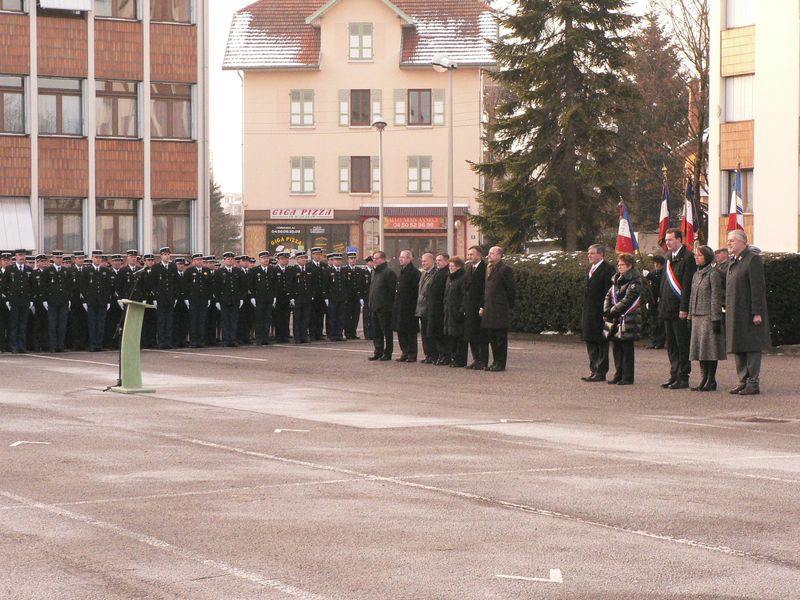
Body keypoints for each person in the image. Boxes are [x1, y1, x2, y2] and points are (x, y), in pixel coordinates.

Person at [725, 229, 770, 395]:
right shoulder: (734, 261)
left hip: (749, 312)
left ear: (743, 242)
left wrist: (757, 312)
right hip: (735, 312)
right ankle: (742, 380)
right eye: (728, 240)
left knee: (751, 347)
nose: (729, 243)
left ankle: (753, 382)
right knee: (738, 346)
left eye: (732, 240)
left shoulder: (752, 260)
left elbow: (757, 288)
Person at [659, 228, 696, 389]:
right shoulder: (668, 257)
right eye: (666, 240)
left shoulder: (688, 258)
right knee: (671, 345)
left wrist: (684, 307)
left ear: (679, 239)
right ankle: (674, 374)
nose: (667, 243)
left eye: (670, 240)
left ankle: (683, 376)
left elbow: (687, 286)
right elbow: (664, 284)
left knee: (682, 344)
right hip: (667, 307)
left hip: (679, 309)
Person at [688, 245, 726, 392]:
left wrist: (716, 318)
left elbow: (715, 297)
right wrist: (690, 316)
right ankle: (703, 378)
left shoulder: (713, 274)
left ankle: (711, 379)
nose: (696, 258)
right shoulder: (696, 274)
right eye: (696, 255)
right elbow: (692, 296)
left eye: (700, 255)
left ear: (707, 257)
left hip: (709, 316)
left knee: (710, 349)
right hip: (697, 316)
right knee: (700, 351)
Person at [603, 253, 642, 385]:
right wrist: (607, 311)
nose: (619, 267)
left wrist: (612, 312)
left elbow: (628, 299)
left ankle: (628, 376)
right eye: (618, 265)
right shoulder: (616, 280)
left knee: (627, 348)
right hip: (616, 318)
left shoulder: (635, 281)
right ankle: (618, 373)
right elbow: (608, 296)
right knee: (616, 347)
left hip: (628, 318)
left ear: (629, 266)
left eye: (622, 265)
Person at [580, 244, 615, 382]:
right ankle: (593, 369)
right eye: (589, 253)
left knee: (600, 342)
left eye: (592, 253)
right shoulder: (591, 269)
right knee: (590, 341)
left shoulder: (607, 269)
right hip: (589, 312)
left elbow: (609, 292)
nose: (589, 255)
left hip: (600, 313)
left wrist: (606, 312)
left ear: (601, 254)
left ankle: (601, 371)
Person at [480, 246, 515, 372]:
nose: (489, 255)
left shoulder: (505, 269)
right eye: (489, 253)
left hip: (500, 310)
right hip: (489, 309)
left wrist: (507, 305)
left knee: (500, 338)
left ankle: (500, 363)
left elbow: (511, 290)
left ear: (499, 255)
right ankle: (495, 361)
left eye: (492, 253)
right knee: (492, 338)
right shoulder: (488, 269)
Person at [3, 249, 35, 353]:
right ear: (15, 257)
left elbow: (32, 286)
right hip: (13, 302)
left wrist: (31, 300)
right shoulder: (9, 269)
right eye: (19, 255)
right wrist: (7, 300)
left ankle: (22, 346)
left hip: (25, 302)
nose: (22, 257)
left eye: (23, 255)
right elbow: (3, 286)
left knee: (23, 325)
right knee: (14, 325)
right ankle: (13, 346)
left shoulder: (28, 270)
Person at [368, 250, 396, 361]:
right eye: (373, 258)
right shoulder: (375, 272)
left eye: (376, 258)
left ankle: (388, 352)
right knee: (377, 332)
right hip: (375, 306)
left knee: (387, 332)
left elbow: (392, 291)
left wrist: (389, 306)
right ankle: (378, 351)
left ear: (383, 259)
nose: (374, 260)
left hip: (385, 308)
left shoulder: (388, 272)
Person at [392, 250, 420, 362]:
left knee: (410, 332)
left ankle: (412, 354)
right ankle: (404, 351)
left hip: (409, 307)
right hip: (400, 306)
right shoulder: (401, 271)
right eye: (400, 257)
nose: (400, 259)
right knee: (401, 331)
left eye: (403, 257)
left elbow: (415, 291)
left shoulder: (414, 272)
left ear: (409, 258)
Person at [463, 246, 488, 370]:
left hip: (478, 306)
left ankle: (483, 360)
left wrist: (482, 306)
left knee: (480, 334)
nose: (469, 256)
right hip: (469, 306)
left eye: (472, 254)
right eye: (468, 254)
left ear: (479, 255)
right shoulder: (469, 268)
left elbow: (485, 289)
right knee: (471, 334)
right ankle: (476, 359)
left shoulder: (484, 268)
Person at [81, 250, 112, 352]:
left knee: (101, 324)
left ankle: (99, 344)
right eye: (96, 257)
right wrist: (84, 301)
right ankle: (92, 344)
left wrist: (108, 301)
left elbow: (108, 288)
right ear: (92, 258)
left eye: (99, 258)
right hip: (91, 301)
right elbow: (83, 287)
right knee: (92, 324)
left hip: (102, 301)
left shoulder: (105, 271)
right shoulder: (86, 271)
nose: (98, 259)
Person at [149, 247, 179, 349]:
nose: (167, 256)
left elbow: (175, 283)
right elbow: (153, 283)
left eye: (168, 254)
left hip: (170, 298)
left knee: (169, 321)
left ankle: (168, 341)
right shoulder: (156, 267)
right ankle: (161, 342)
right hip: (160, 298)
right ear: (161, 256)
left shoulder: (173, 267)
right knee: (161, 321)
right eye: (165, 254)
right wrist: (155, 298)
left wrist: (175, 297)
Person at [214, 251, 245, 347]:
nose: (230, 261)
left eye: (232, 259)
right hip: (224, 300)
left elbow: (242, 286)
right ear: (224, 260)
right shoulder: (219, 272)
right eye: (228, 259)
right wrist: (217, 301)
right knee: (225, 321)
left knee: (234, 320)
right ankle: (226, 339)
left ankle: (233, 339)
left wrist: (241, 299)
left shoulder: (238, 271)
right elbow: (216, 288)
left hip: (235, 300)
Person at [42, 251, 71, 353]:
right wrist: (44, 300)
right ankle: (52, 346)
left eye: (60, 258)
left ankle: (60, 345)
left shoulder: (65, 271)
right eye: (57, 257)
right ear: (53, 259)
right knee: (52, 325)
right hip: (52, 302)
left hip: (63, 302)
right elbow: (44, 287)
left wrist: (68, 299)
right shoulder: (48, 270)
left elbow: (68, 286)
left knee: (62, 325)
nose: (59, 259)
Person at [443, 256, 468, 367]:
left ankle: (460, 359)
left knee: (459, 337)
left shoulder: (462, 278)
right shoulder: (450, 278)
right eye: (449, 266)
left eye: (452, 266)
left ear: (459, 267)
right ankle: (454, 357)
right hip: (449, 311)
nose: (450, 268)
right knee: (451, 336)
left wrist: (461, 310)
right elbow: (446, 295)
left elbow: (464, 295)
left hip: (457, 311)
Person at [184, 253, 213, 347]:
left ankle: (201, 340)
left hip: (203, 300)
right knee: (193, 321)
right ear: (193, 261)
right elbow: (186, 287)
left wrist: (209, 298)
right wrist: (186, 299)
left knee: (202, 321)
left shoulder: (206, 271)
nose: (199, 261)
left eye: (201, 260)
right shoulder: (189, 271)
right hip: (193, 300)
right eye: (197, 260)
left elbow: (209, 286)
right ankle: (194, 341)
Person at [426, 254, 450, 365]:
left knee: (441, 333)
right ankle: (439, 354)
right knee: (434, 332)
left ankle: (445, 355)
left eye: (440, 260)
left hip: (440, 307)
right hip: (433, 307)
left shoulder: (446, 273)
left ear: (446, 261)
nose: (438, 262)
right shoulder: (437, 272)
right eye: (437, 260)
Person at [416, 253, 438, 364]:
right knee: (424, 334)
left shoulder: (435, 273)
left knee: (431, 333)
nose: (423, 263)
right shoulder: (423, 274)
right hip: (422, 308)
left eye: (425, 261)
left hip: (430, 308)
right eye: (422, 261)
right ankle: (427, 354)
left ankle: (433, 354)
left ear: (431, 261)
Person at [249, 251, 274, 345]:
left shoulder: (272, 270)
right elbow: (251, 285)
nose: (266, 260)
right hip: (258, 299)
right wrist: (252, 297)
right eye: (264, 258)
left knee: (267, 318)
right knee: (259, 319)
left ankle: (266, 338)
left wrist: (274, 297)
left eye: (267, 258)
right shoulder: (254, 271)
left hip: (269, 299)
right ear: (260, 259)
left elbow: (274, 285)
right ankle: (259, 338)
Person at [290, 251, 314, 343]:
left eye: (305, 258)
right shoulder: (293, 270)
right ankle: (297, 337)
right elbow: (290, 284)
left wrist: (312, 295)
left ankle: (304, 336)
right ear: (297, 259)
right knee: (297, 318)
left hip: (307, 298)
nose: (304, 260)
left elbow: (312, 284)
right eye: (301, 258)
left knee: (306, 318)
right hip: (297, 298)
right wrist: (291, 297)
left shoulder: (309, 270)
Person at [325, 253, 348, 341]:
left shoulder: (343, 271)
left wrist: (345, 297)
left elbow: (346, 285)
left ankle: (339, 334)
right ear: (333, 261)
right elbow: (326, 285)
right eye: (336, 260)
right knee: (332, 317)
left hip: (341, 298)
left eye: (339, 260)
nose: (338, 261)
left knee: (340, 317)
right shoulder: (328, 271)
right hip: (332, 298)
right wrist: (326, 297)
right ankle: (332, 334)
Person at [645, 255, 666, 349]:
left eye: (658, 263)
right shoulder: (654, 273)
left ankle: (660, 342)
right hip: (652, 301)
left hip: (660, 300)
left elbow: (659, 282)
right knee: (652, 322)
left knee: (659, 323)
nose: (656, 265)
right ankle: (653, 341)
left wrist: (650, 276)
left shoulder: (664, 274)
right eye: (655, 263)